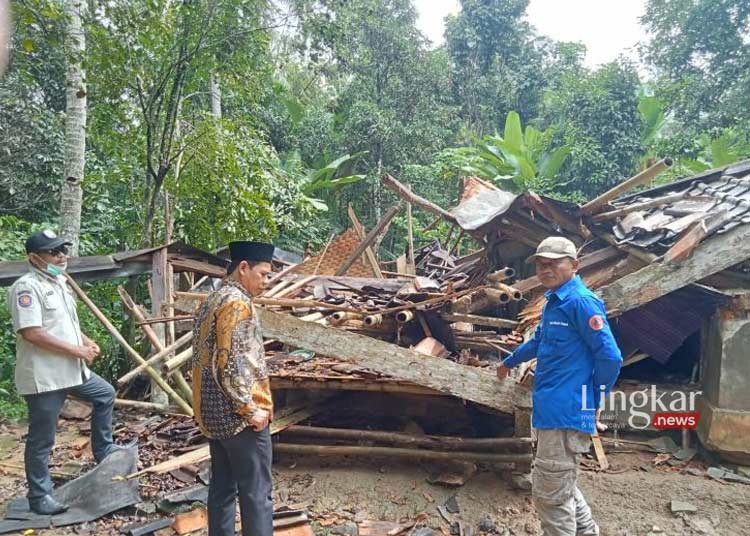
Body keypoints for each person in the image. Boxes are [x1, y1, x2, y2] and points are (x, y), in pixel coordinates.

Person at [497, 237, 622, 536]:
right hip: (552, 410)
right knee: (562, 484)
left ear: (574, 265)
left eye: (554, 262)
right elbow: (540, 342)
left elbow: (610, 357)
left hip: (564, 413)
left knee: (551, 497)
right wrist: (509, 362)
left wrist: (592, 399)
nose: (546, 268)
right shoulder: (554, 301)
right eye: (541, 263)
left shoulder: (580, 302)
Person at [7, 230, 119, 515]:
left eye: (62, 250)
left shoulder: (58, 281)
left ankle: (104, 450)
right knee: (42, 438)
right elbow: (32, 333)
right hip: (44, 377)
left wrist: (84, 340)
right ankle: (39, 496)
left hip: (71, 370)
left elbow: (63, 322)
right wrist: (77, 351)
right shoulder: (26, 288)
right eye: (53, 252)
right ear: (34, 258)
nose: (61, 256)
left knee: (105, 394)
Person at [191, 240, 275, 536]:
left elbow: (204, 358)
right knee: (256, 495)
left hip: (213, 414)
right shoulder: (237, 303)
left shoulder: (213, 298)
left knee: (223, 490)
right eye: (264, 274)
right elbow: (230, 364)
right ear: (243, 268)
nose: (266, 281)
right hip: (239, 418)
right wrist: (249, 409)